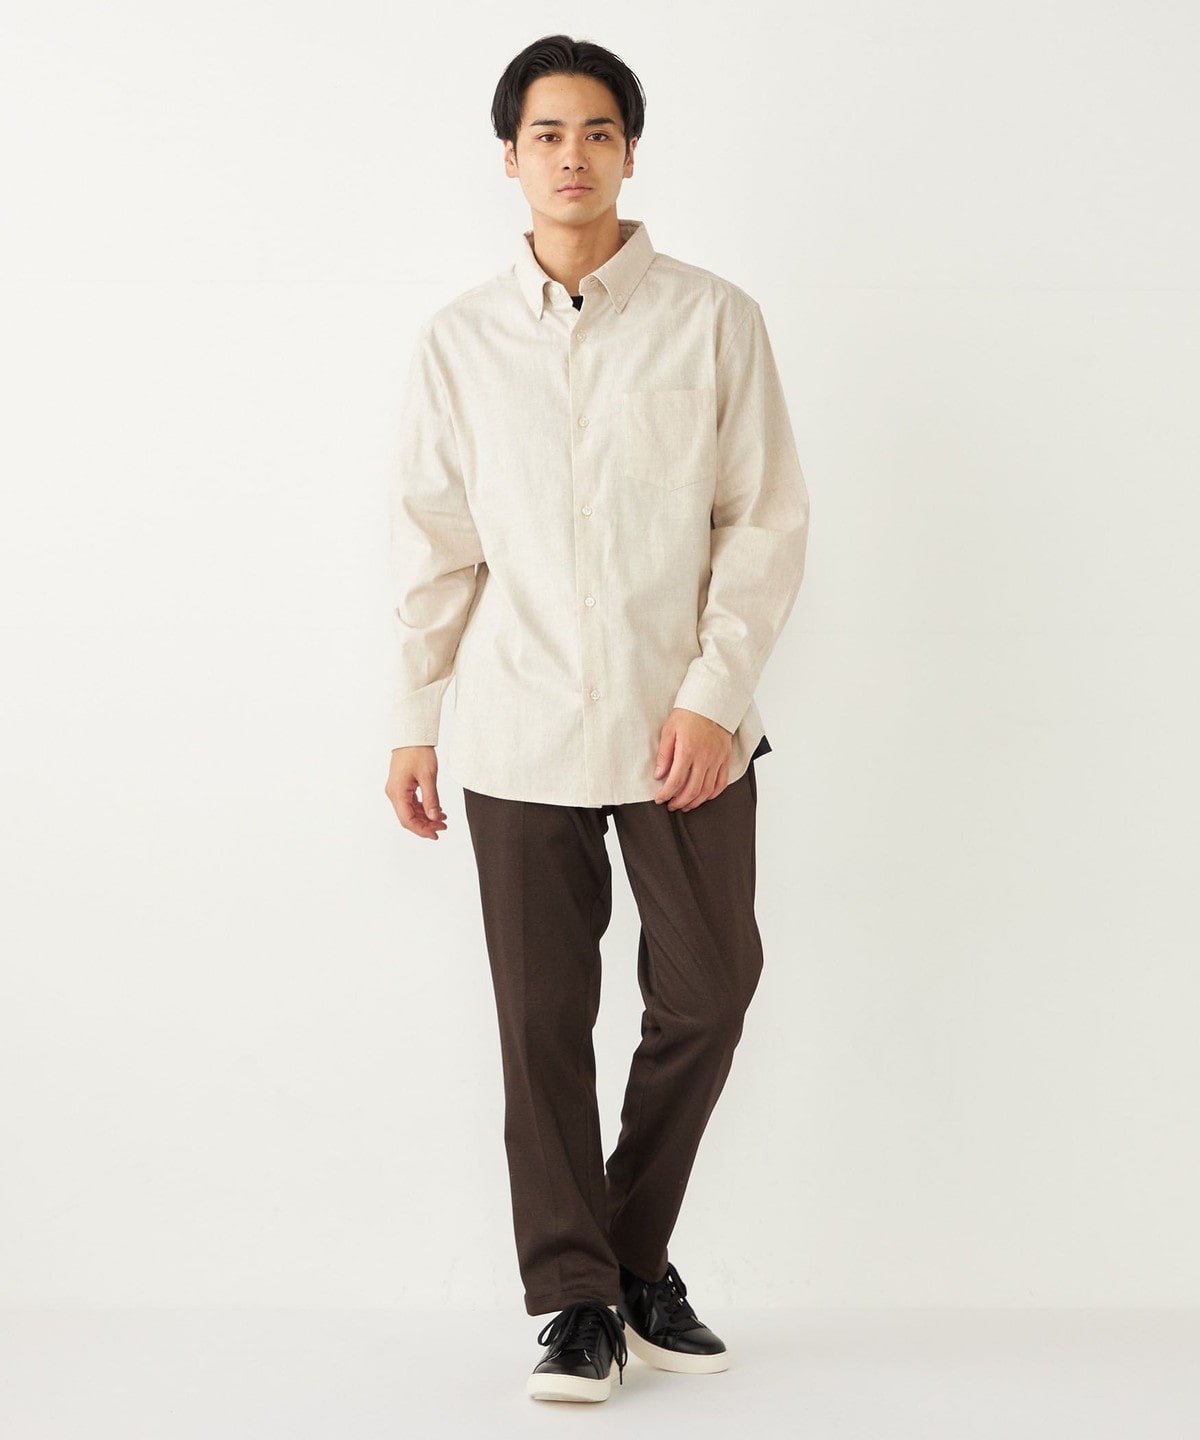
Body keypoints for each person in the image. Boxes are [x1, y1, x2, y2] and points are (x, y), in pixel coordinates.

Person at [384, 33, 810, 1404]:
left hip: (681, 729)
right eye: (547, 134)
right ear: (509, 156)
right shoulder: (459, 341)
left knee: (710, 989)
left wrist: (713, 698)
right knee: (540, 1023)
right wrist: (414, 716)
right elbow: (436, 544)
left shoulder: (714, 320)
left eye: (598, 132)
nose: (573, 157)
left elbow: (762, 524)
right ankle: (576, 1298)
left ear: (631, 150)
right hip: (515, 727)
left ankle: (627, 1249)